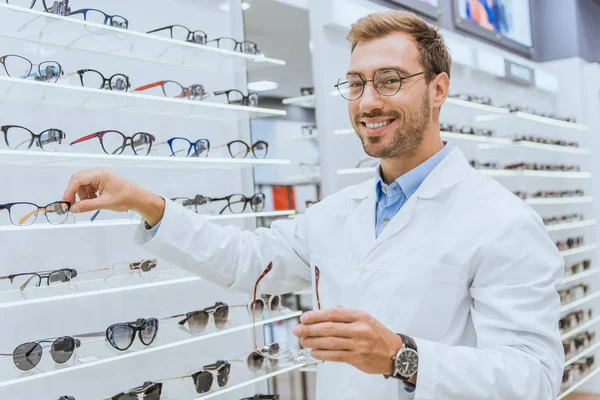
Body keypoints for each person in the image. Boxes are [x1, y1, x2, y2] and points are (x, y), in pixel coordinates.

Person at [63, 10, 564, 400]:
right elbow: (245, 260)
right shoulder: (335, 213)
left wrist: (403, 357)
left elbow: (533, 378)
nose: (369, 100)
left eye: (390, 80)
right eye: (356, 83)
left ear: (438, 89)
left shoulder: (502, 222)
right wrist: (143, 202)